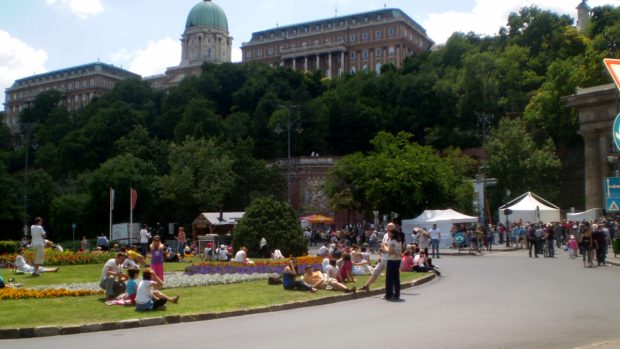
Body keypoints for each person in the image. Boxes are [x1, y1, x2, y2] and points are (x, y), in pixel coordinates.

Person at [359, 222, 393, 292]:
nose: (387, 229)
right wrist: (380, 255)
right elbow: (382, 244)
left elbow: (392, 249)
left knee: (389, 275)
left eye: (389, 228)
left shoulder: (394, 236)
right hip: (383, 257)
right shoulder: (386, 235)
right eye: (387, 228)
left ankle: (391, 289)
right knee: (375, 272)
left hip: (389, 259)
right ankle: (366, 286)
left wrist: (385, 249)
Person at [385, 225, 402, 301]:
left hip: (392, 260)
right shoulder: (399, 241)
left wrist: (384, 247)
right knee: (396, 278)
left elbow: (390, 252)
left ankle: (389, 295)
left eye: (389, 232)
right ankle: (397, 294)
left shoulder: (392, 241)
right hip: (397, 260)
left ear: (392, 234)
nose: (388, 233)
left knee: (389, 278)